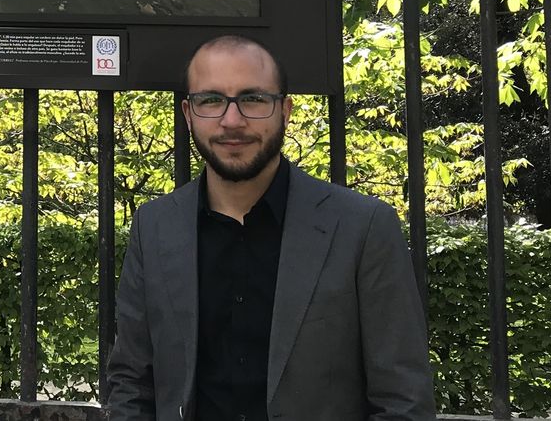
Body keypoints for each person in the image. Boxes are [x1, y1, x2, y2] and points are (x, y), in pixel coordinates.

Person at [105, 35, 434, 421]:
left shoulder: (362, 226)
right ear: (188, 113)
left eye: (253, 99)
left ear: (286, 110)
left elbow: (403, 399)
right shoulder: (154, 226)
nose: (232, 120)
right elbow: (132, 382)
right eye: (211, 100)